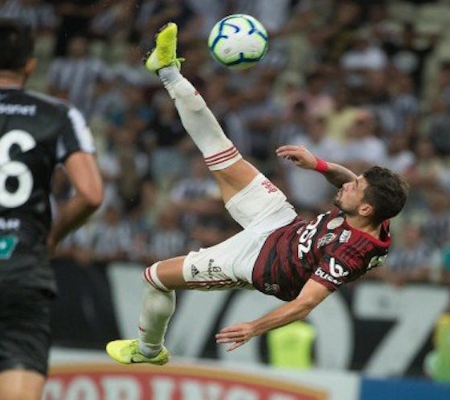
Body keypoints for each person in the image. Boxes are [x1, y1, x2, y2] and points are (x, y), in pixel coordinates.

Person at [106, 23, 408, 365]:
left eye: (355, 188)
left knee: (155, 277)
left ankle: (148, 350)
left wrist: (254, 327)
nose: (347, 184)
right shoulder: (375, 211)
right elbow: (350, 179)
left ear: (365, 209)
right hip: (281, 223)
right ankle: (167, 70)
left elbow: (306, 303)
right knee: (219, 149)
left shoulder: (351, 252)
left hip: (258, 264)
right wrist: (319, 165)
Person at [0, 18, 103, 399]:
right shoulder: (57, 114)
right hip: (22, 265)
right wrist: (53, 236)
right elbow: (90, 194)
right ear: (30, 65)